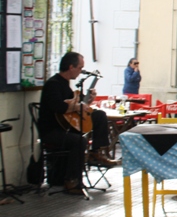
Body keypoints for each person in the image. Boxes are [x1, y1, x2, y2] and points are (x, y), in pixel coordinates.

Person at [38, 52, 118, 195]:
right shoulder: (53, 84)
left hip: (67, 127)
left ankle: (96, 152)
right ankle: (72, 181)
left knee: (99, 115)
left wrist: (88, 100)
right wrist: (78, 107)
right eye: (80, 68)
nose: (81, 71)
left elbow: (77, 105)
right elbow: (59, 107)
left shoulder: (66, 86)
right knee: (78, 141)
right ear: (71, 67)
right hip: (52, 131)